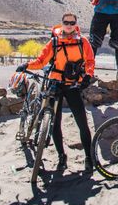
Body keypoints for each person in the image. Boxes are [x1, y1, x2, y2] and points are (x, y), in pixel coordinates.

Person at [17, 12, 96, 172]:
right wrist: (26, 65)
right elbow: (41, 61)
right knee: (54, 123)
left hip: (73, 85)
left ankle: (89, 157)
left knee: (82, 122)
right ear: (62, 23)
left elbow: (90, 61)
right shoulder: (54, 42)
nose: (68, 25)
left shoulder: (83, 42)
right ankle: (61, 156)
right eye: (66, 22)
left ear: (76, 24)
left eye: (71, 22)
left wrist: (88, 75)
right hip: (55, 84)